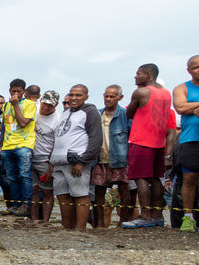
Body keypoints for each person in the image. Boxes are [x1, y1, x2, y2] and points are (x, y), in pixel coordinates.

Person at [124, 63, 177, 227]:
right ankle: (157, 215)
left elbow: (129, 113)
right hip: (158, 142)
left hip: (141, 141)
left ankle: (145, 216)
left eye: (138, 73)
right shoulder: (166, 93)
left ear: (148, 74)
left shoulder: (141, 92)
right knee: (156, 179)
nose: (135, 76)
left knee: (140, 178)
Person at [51, 84, 103, 231]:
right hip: (58, 161)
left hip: (76, 161)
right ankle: (67, 227)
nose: (74, 98)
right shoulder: (66, 113)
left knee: (80, 194)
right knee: (62, 195)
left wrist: (82, 162)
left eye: (78, 95)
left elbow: (96, 140)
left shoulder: (91, 112)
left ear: (86, 97)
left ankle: (80, 229)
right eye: (71, 95)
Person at [91, 85, 132, 229]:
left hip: (119, 159)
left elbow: (131, 137)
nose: (108, 99)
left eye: (112, 96)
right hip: (99, 159)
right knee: (98, 192)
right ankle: (100, 224)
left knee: (124, 191)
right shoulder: (97, 114)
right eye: (106, 96)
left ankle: (122, 222)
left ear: (120, 98)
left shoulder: (125, 114)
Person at [0, 78, 36, 217]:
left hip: (24, 145)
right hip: (8, 146)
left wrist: (16, 106)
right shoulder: (5, 106)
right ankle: (15, 206)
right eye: (13, 91)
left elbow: (22, 123)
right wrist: (0, 145)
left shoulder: (30, 105)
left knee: (24, 175)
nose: (15, 93)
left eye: (18, 91)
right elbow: (5, 127)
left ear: (24, 91)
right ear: (9, 90)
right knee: (12, 178)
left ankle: (26, 206)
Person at [172, 55, 199, 233]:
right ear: (189, 70)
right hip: (191, 139)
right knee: (189, 179)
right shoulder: (182, 88)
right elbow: (180, 107)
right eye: (195, 67)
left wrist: (194, 106)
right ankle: (188, 217)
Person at [30, 90, 61, 223]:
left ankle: (45, 221)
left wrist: (51, 166)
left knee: (47, 192)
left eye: (51, 105)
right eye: (45, 103)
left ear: (56, 105)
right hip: (30, 157)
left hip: (45, 160)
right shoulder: (33, 109)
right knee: (33, 190)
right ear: (41, 100)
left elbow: (59, 144)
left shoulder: (58, 119)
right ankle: (34, 219)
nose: (47, 107)